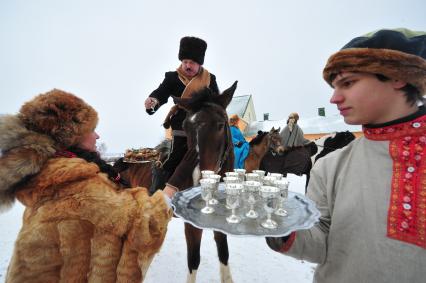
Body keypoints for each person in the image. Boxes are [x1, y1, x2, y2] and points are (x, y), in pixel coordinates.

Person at [266, 28, 426, 283]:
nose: (334, 98)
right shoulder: (329, 167)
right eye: (334, 86)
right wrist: (278, 224)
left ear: (397, 76)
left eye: (348, 83)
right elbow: (321, 241)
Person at [0, 89, 198, 282]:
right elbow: (144, 225)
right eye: (91, 130)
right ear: (71, 136)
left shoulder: (49, 177)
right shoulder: (77, 187)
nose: (98, 136)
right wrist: (173, 185)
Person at [144, 36, 219, 193]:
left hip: (204, 127)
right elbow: (161, 93)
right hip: (182, 126)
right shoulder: (172, 77)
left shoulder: (210, 79)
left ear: (199, 63)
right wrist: (153, 100)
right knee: (176, 157)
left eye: (191, 62)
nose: (187, 66)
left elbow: (217, 103)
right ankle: (158, 186)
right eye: (185, 62)